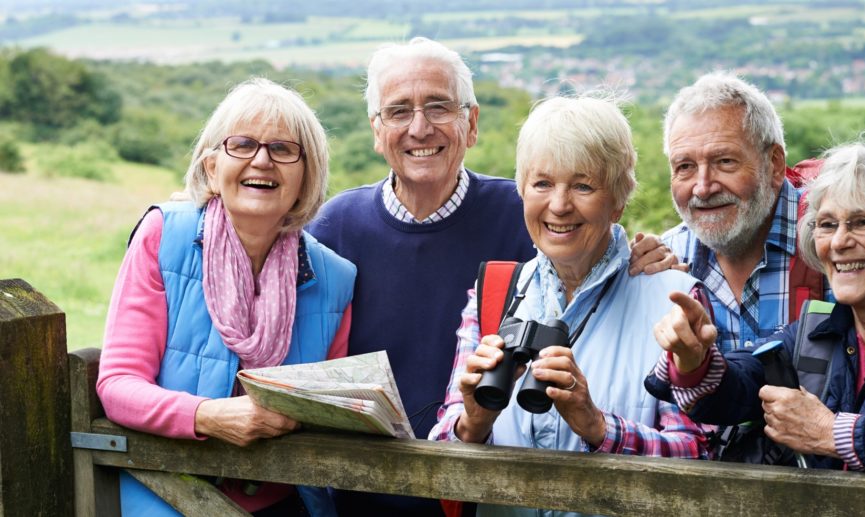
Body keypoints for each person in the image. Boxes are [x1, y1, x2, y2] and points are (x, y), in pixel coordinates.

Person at [307, 37, 672, 516]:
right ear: (377, 130)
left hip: (478, 502)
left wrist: (649, 259)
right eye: (398, 111)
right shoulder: (336, 227)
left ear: (471, 122)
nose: (419, 127)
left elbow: (593, 244)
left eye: (439, 106)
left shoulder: (524, 216)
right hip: (362, 498)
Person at [647, 127, 865, 480]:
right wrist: (694, 361)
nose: (839, 242)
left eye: (862, 222)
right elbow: (739, 391)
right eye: (826, 224)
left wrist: (831, 432)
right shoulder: (821, 329)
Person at [430, 94, 710, 516]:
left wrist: (597, 426)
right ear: (522, 191)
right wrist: (472, 422)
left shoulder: (673, 299)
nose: (559, 205)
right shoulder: (494, 292)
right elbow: (441, 456)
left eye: (582, 185)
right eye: (542, 183)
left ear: (618, 197)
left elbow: (699, 457)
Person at [97, 78, 355, 515]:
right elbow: (118, 386)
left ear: (307, 176)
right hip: (166, 487)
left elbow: (334, 412)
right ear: (212, 166)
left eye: (283, 149)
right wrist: (210, 416)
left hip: (283, 498)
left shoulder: (335, 277)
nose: (262, 160)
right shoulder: (165, 237)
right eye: (243, 145)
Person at [660, 71, 829, 353]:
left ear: (774, 164)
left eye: (725, 161)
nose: (703, 188)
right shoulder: (663, 264)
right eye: (685, 167)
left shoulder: (836, 244)